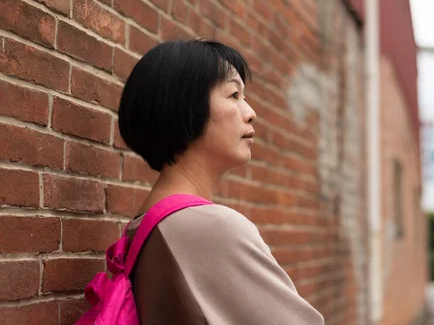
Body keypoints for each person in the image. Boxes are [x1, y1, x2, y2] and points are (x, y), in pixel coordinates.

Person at [117, 40, 324, 324]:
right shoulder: (211, 229)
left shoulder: (144, 226)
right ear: (186, 106)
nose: (250, 112)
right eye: (234, 95)